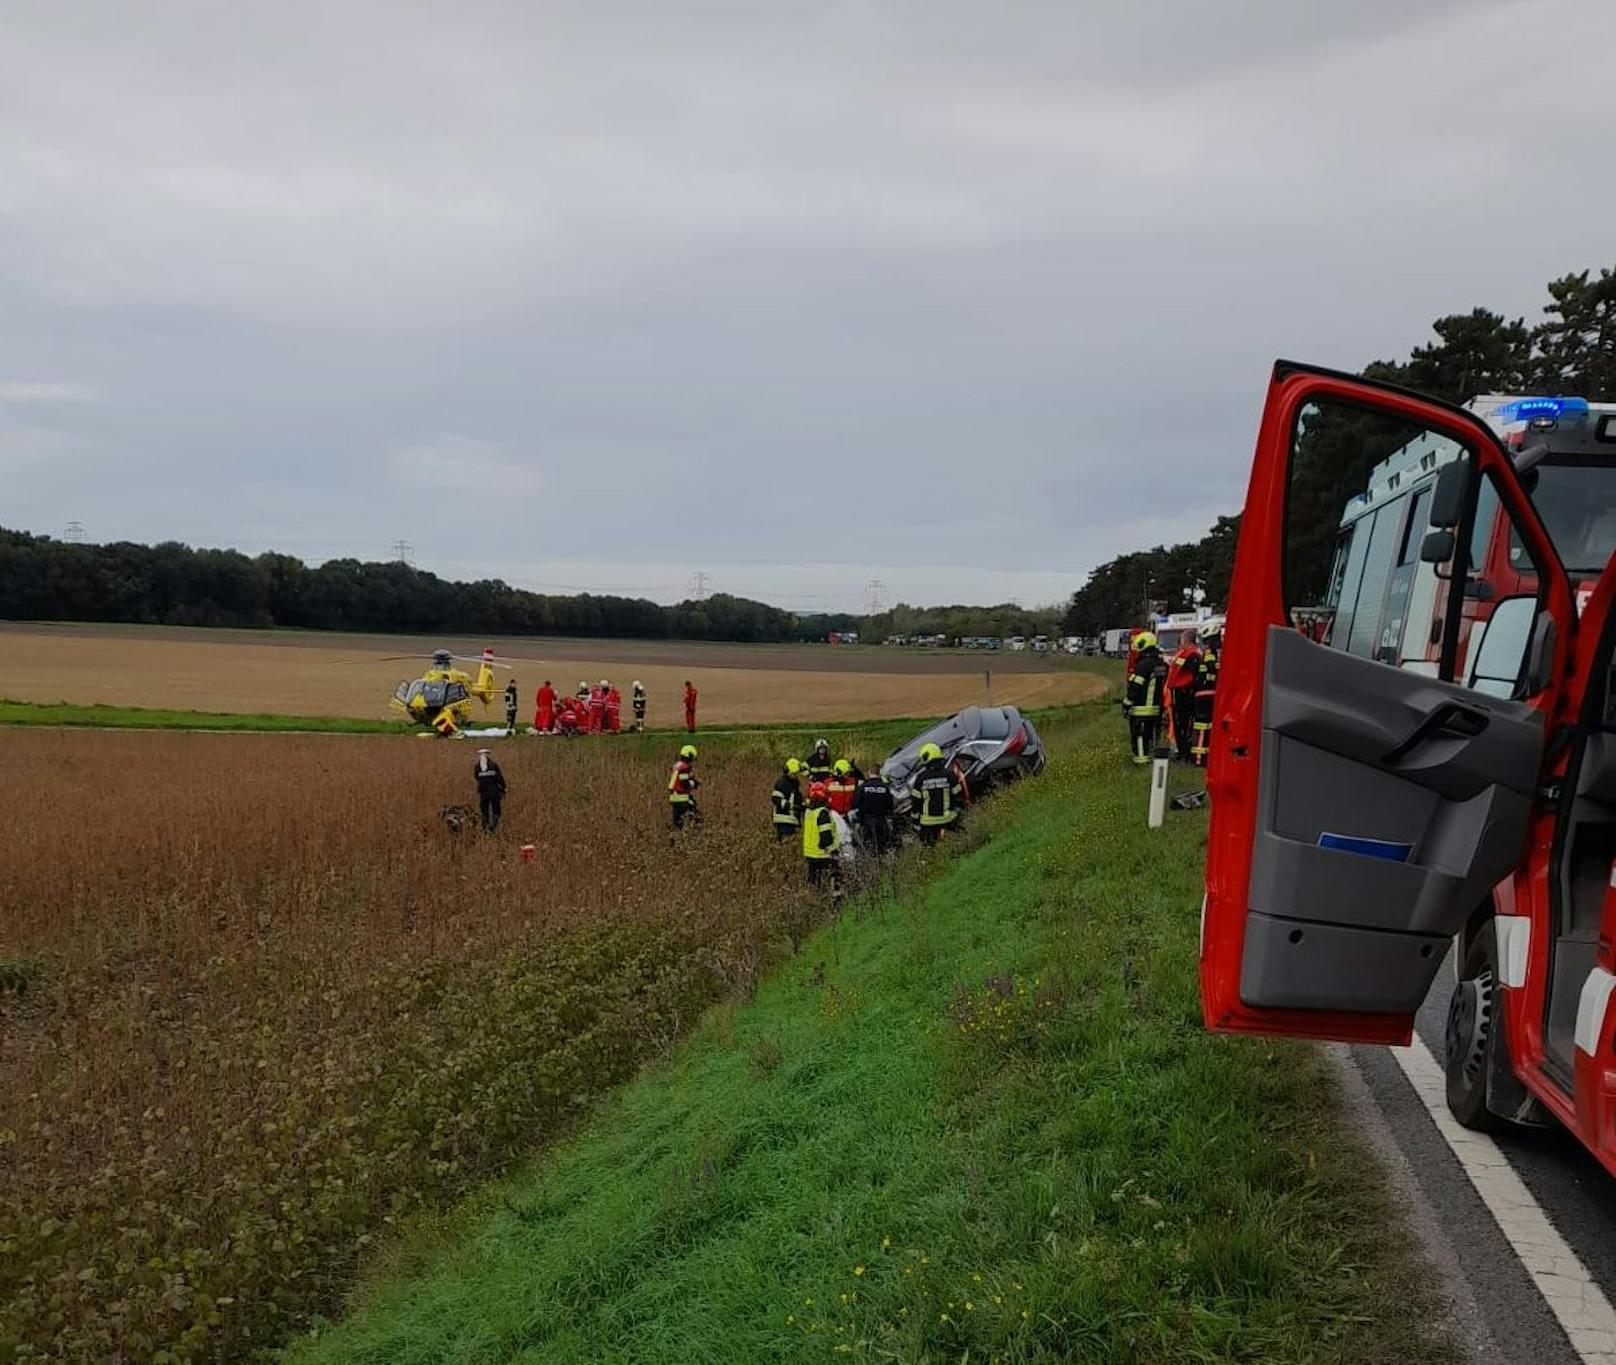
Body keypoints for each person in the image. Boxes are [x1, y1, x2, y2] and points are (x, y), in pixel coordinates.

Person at [1124, 630, 1169, 765]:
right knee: (1151, 735)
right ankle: (1151, 757)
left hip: (1141, 709)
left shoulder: (1143, 665)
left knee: (1139, 736)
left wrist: (1126, 705)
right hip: (1157, 708)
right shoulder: (1161, 664)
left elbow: (1135, 688)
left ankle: (1141, 762)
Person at [909, 742, 962, 844]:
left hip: (928, 824)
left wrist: (915, 822)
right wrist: (956, 814)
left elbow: (916, 802)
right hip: (947, 821)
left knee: (930, 850)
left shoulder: (921, 778)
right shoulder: (949, 775)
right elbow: (958, 796)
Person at [802, 781, 843, 903]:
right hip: (823, 854)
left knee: (814, 882)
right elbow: (825, 836)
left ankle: (815, 903)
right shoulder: (823, 813)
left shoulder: (808, 812)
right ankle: (835, 902)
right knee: (835, 877)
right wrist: (833, 850)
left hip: (810, 855)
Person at [1166, 629, 1202, 763]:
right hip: (1178, 693)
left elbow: (1194, 675)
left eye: (1182, 640)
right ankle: (1181, 752)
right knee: (1178, 724)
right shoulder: (1184, 653)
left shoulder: (1193, 655)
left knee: (1185, 725)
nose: (1180, 643)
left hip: (1186, 695)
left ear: (1187, 640)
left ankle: (1185, 754)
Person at [1192, 627, 1221, 767]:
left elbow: (1209, 669)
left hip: (1204, 694)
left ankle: (1199, 758)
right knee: (1207, 727)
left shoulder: (1209, 652)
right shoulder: (1213, 652)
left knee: (1202, 727)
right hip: (1210, 693)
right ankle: (1202, 757)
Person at [852, 767, 897, 852]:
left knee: (866, 843)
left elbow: (856, 803)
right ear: (879, 773)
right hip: (880, 820)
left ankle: (868, 860)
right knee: (880, 845)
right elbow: (890, 804)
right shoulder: (885, 788)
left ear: (869, 773)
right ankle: (879, 861)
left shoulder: (863, 787)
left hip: (866, 820)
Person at [772, 758, 807, 840]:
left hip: (791, 820)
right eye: (795, 774)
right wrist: (791, 806)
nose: (797, 776)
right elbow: (776, 799)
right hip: (784, 819)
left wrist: (802, 806)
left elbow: (796, 799)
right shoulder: (782, 783)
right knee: (786, 842)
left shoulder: (794, 784)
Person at [473, 747, 507, 832]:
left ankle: (485, 828)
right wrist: (504, 787)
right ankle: (494, 827)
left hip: (483, 792)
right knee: (496, 810)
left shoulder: (477, 767)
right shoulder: (494, 765)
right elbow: (500, 777)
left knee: (484, 811)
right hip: (494, 791)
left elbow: (476, 777)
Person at [668, 743, 700, 828]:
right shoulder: (684, 767)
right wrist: (694, 784)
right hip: (681, 796)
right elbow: (684, 782)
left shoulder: (678, 765)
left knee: (677, 819)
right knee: (695, 814)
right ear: (689, 756)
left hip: (673, 796)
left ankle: (676, 833)